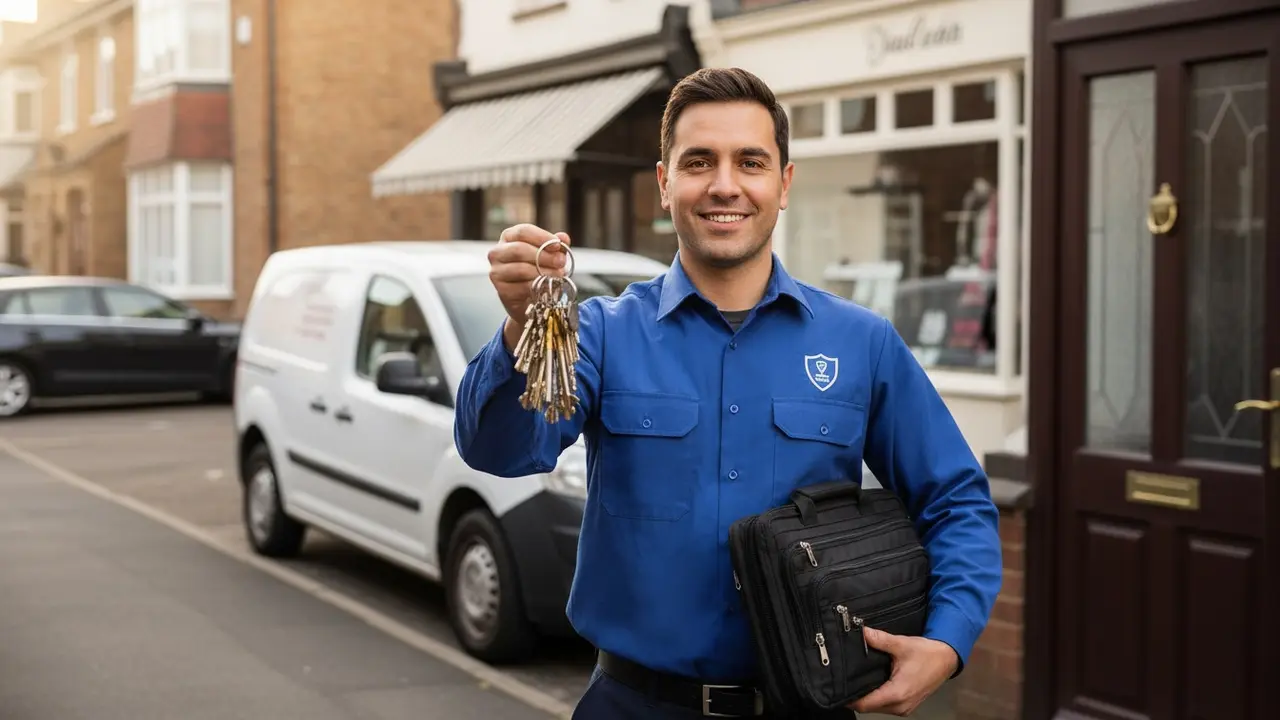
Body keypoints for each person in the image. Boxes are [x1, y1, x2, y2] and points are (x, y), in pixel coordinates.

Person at [454, 67, 1002, 719]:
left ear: (783, 183)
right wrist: (524, 325)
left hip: (807, 704)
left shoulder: (862, 343)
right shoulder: (601, 334)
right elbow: (499, 450)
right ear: (665, 183)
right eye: (698, 161)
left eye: (750, 161)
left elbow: (956, 497)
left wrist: (947, 638)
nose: (724, 185)